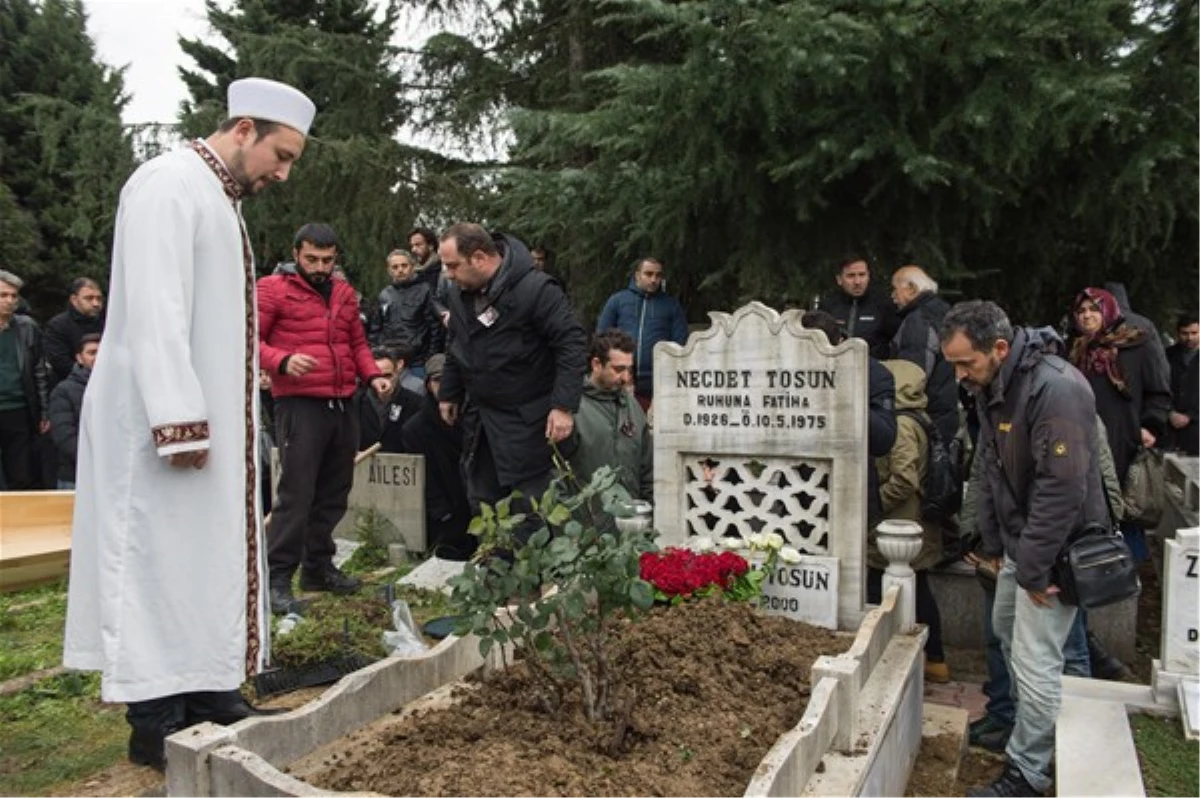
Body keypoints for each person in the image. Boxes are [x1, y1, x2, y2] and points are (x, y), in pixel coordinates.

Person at [62, 77, 316, 771]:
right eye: (281, 154)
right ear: (244, 129)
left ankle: (209, 689)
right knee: (156, 558)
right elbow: (156, 309)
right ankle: (154, 717)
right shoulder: (167, 184)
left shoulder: (218, 198)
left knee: (203, 555)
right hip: (159, 423)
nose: (284, 173)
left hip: (210, 423)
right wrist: (178, 418)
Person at [942, 300, 1108, 798]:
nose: (959, 376)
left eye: (965, 363)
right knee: (1006, 632)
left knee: (1037, 659)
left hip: (1056, 552)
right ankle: (1030, 739)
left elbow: (1063, 489)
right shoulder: (998, 386)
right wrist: (993, 544)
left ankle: (1029, 773)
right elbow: (993, 471)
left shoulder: (1055, 389)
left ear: (998, 347)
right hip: (1021, 548)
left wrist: (1034, 568)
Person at [258, 223, 390, 613]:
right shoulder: (272, 289)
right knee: (296, 494)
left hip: (343, 402)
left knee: (335, 491)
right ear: (296, 253)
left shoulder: (344, 293)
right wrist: (281, 360)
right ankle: (278, 575)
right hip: (299, 404)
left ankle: (317, 566)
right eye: (312, 259)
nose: (320, 266)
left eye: (327, 260)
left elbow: (356, 344)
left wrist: (373, 376)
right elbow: (250, 338)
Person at [437, 223, 588, 523]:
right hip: (482, 420)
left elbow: (571, 344)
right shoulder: (459, 292)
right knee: (483, 503)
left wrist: (563, 406)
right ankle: (494, 566)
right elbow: (457, 341)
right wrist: (449, 391)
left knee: (530, 507)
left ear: (479, 258)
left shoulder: (537, 290)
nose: (448, 274)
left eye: (453, 266)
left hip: (527, 420)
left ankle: (533, 570)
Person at [1067, 287, 1170, 562]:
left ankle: (1127, 575)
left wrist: (1150, 426)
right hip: (1086, 441)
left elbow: (1159, 390)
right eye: (1082, 311)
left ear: (1109, 310)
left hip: (1124, 438)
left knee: (1126, 509)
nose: (1087, 316)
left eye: (1094, 309)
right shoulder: (1079, 348)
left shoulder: (1137, 343)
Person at [866, 359, 948, 683]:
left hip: (898, 525)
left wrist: (873, 506)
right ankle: (936, 660)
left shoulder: (899, 425)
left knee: (891, 589)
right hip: (915, 525)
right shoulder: (919, 418)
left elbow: (904, 478)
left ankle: (924, 658)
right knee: (919, 587)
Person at [563, 329, 653, 503]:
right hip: (586, 523)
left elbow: (647, 469)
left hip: (631, 522)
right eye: (618, 369)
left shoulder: (632, 407)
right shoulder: (571, 408)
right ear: (596, 364)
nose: (626, 377)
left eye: (629, 370)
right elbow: (554, 473)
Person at [401, 354, 474, 560]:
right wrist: (443, 513)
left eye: (449, 380)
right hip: (446, 513)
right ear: (427, 384)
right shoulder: (415, 428)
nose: (444, 386)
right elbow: (425, 479)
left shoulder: (474, 415)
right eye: (438, 380)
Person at [595, 257, 688, 409]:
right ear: (637, 275)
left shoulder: (671, 306)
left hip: (658, 386)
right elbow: (602, 337)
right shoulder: (618, 301)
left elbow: (679, 344)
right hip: (619, 383)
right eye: (649, 274)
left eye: (658, 275)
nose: (654, 279)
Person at [890, 265, 958, 445]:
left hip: (926, 420)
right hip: (945, 413)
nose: (893, 296)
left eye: (895, 289)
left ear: (911, 289)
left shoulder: (918, 321)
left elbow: (913, 379)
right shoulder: (945, 313)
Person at [0, 270, 50, 490]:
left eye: (14, 296)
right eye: (3, 295)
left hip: (18, 407)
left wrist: (44, 411)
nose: (10, 301)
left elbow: (40, 371)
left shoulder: (27, 327)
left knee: (21, 473)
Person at [818, 254, 898, 359]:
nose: (857, 282)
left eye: (862, 275)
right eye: (851, 276)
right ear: (839, 279)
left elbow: (897, 342)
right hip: (836, 368)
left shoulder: (883, 304)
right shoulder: (828, 305)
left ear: (868, 276)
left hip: (873, 370)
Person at [376, 249, 443, 374]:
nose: (400, 270)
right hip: (391, 360)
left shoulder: (425, 290)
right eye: (395, 267)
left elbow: (435, 328)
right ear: (389, 270)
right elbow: (378, 327)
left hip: (418, 361)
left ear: (412, 267)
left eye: (404, 265)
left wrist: (430, 356)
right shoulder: (384, 295)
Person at [48, 333, 99, 489]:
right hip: (75, 476)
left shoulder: (122, 388)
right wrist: (97, 458)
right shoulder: (63, 391)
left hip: (115, 475)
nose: (98, 357)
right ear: (79, 358)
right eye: (92, 353)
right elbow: (64, 436)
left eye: (102, 352)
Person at [354, 346, 422, 453]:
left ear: (398, 371)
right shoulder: (355, 403)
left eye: (388, 376)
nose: (383, 382)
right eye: (377, 377)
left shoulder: (416, 403)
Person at [44, 277, 105, 385]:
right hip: (72, 385)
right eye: (89, 298)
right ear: (74, 300)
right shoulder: (58, 325)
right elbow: (60, 362)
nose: (95, 303)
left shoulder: (108, 322)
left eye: (99, 298)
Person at [1166, 313, 1200, 456]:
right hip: (1169, 429)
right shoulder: (1167, 355)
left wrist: (1191, 416)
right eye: (1184, 333)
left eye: (1194, 333)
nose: (1189, 338)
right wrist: (1169, 412)